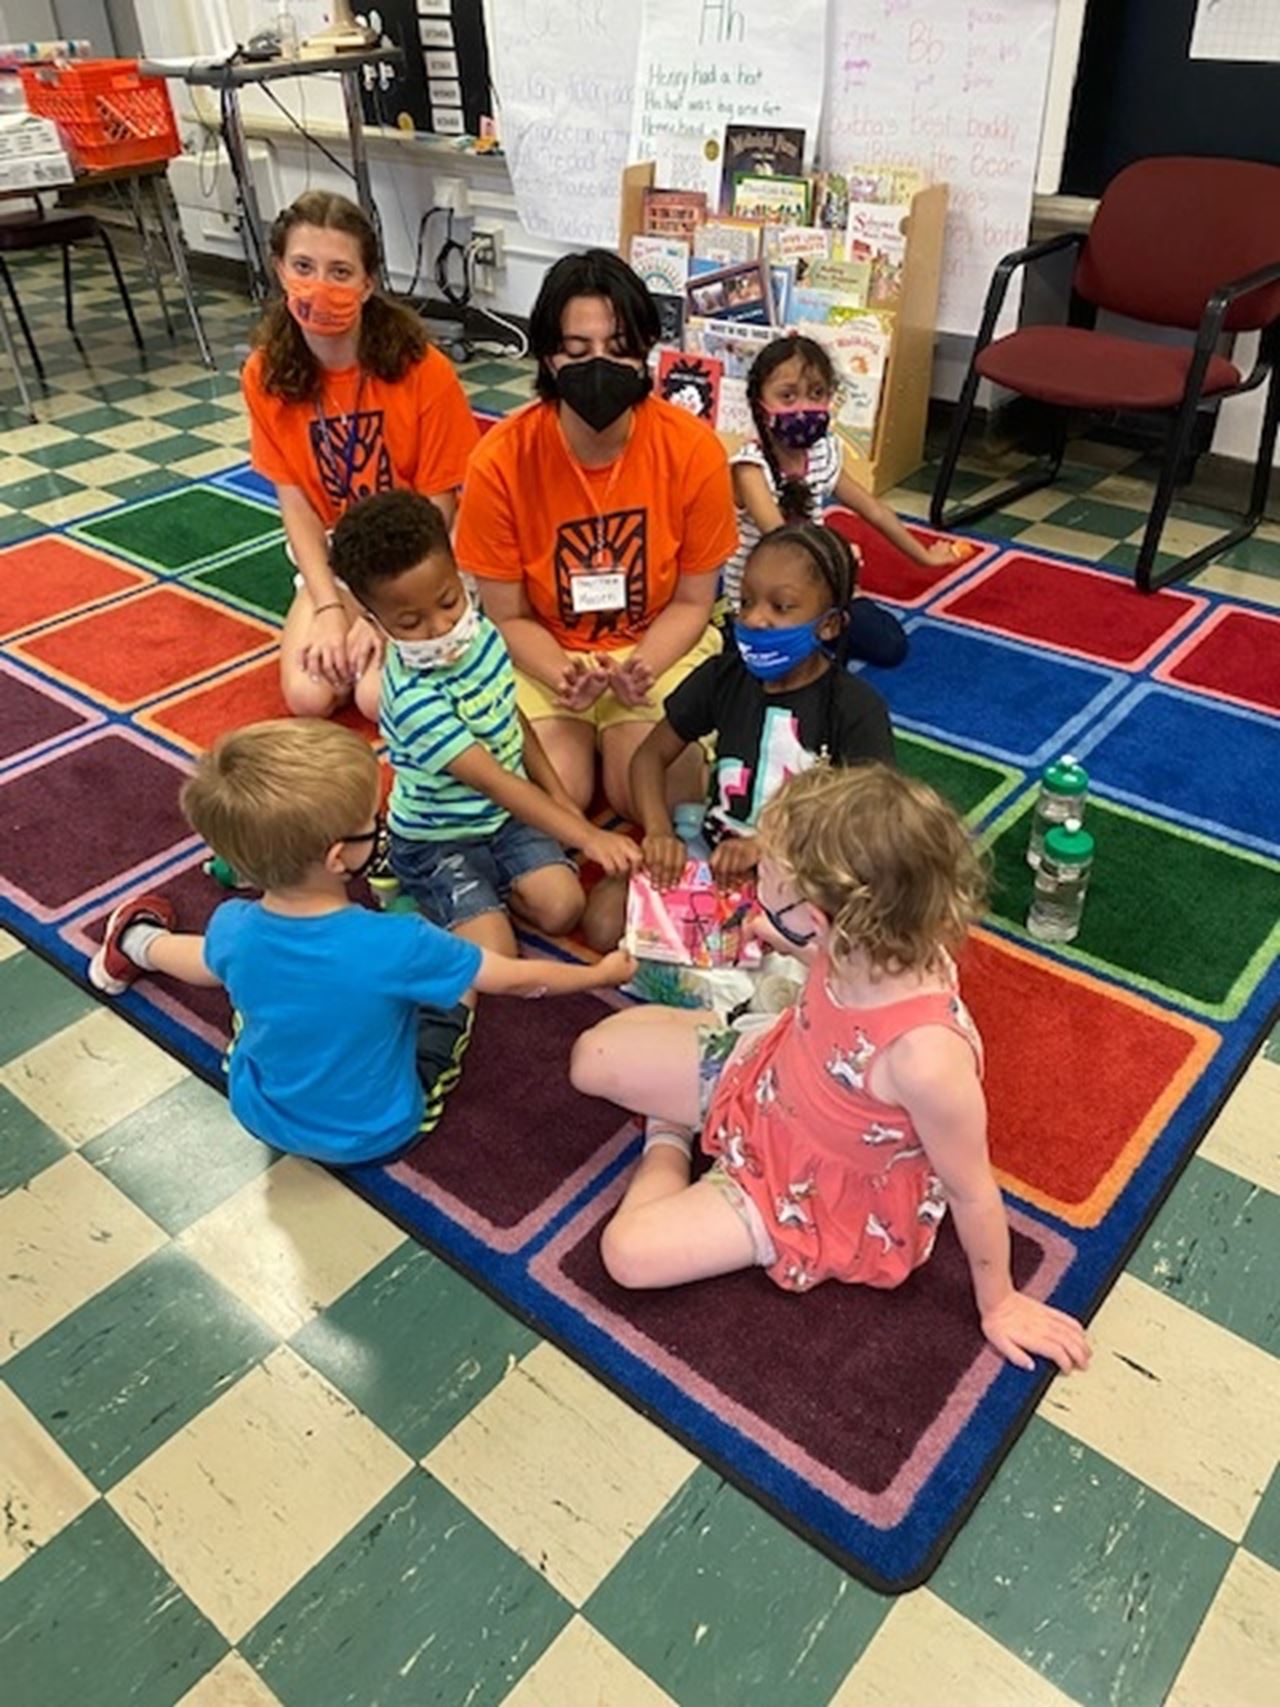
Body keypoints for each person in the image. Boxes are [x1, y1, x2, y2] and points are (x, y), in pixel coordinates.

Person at [570, 764, 1091, 1376]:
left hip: (807, 1190)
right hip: (770, 1073)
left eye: (767, 877)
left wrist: (1000, 1303)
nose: (754, 881)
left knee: (627, 1254)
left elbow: (972, 1190)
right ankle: (690, 1113)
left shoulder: (926, 1058)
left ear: (821, 915)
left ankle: (668, 1137)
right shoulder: (876, 933)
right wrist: (774, 937)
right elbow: (822, 961)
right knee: (591, 1059)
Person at [89, 720, 634, 1166]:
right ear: (336, 857)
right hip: (379, 1130)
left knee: (231, 971)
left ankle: (135, 943)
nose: (380, 826)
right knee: (454, 997)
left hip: (259, 1108)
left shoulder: (233, 922)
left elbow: (206, 961)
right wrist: (598, 975)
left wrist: (153, 947)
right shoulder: (402, 940)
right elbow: (516, 978)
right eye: (371, 822)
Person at [455, 249, 738, 822]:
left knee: (656, 794)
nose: (599, 367)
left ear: (646, 350)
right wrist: (562, 671)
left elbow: (692, 602)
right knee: (555, 795)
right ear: (547, 356)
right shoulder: (500, 460)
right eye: (577, 351)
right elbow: (506, 615)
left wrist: (644, 669)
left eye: (618, 349)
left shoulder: (694, 450)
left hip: (658, 640)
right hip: (546, 650)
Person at [329, 489, 640, 960]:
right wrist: (587, 836)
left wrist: (562, 802)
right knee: (495, 956)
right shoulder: (414, 699)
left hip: (503, 821)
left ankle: (480, 898)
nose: (439, 628)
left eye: (449, 601)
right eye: (410, 622)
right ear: (374, 621)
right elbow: (496, 783)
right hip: (438, 839)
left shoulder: (479, 635)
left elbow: (509, 718)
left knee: (563, 909)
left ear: (458, 575)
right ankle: (424, 898)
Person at [582, 523, 894, 949]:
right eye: (745, 601)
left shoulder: (856, 707)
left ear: (830, 625)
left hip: (801, 873)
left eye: (781, 607)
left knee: (856, 941)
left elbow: (871, 823)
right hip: (711, 853)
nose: (753, 619)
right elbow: (648, 757)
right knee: (602, 921)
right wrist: (658, 832)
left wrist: (767, 848)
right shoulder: (723, 677)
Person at [242, 190, 480, 720]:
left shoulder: (424, 369)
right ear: (279, 269)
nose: (319, 287)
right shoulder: (264, 375)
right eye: (303, 266)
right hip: (337, 554)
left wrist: (377, 618)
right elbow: (297, 506)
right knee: (308, 696)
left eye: (340, 272)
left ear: (368, 283)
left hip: (419, 553)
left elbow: (442, 502)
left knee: (377, 700)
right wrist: (330, 606)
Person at [726, 332, 971, 627]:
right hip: (761, 603)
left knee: (887, 642)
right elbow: (783, 542)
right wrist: (840, 559)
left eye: (816, 393)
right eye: (787, 396)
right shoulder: (750, 468)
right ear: (759, 402)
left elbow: (875, 511)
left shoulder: (822, 453)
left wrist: (923, 557)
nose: (803, 407)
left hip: (813, 588)